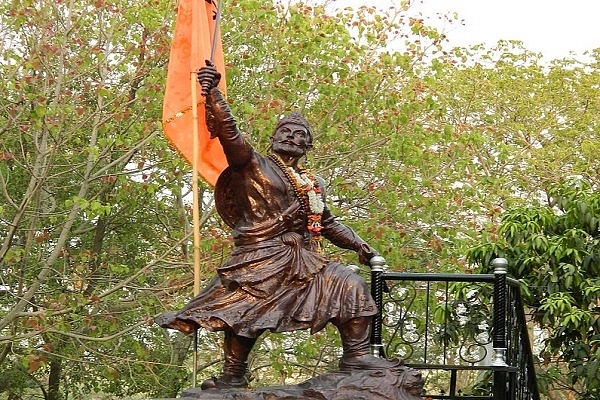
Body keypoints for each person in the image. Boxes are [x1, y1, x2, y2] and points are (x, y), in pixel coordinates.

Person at [156, 61, 402, 389]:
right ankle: (232, 375)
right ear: (273, 138)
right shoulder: (251, 164)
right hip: (258, 258)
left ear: (307, 147)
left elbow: (327, 222)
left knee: (350, 284)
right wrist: (213, 91)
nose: (291, 136)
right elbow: (230, 133)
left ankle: (356, 356)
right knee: (244, 315)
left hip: (303, 260)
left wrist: (359, 244)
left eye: (299, 135)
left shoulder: (312, 183)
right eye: (285, 131)